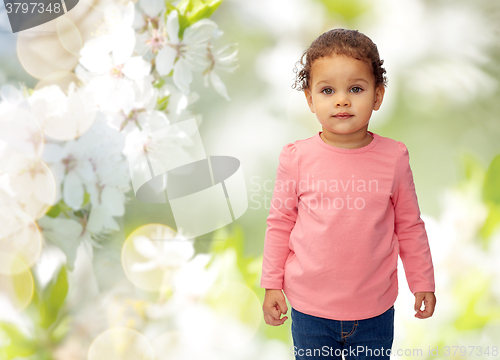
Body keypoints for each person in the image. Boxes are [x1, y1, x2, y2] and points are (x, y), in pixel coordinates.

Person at [260, 28, 436, 360]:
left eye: (356, 88)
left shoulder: (394, 158)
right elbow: (280, 223)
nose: (342, 100)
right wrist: (272, 283)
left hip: (375, 311)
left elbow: (410, 225)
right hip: (310, 311)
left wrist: (422, 281)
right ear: (310, 100)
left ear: (378, 96)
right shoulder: (296, 158)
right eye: (327, 90)